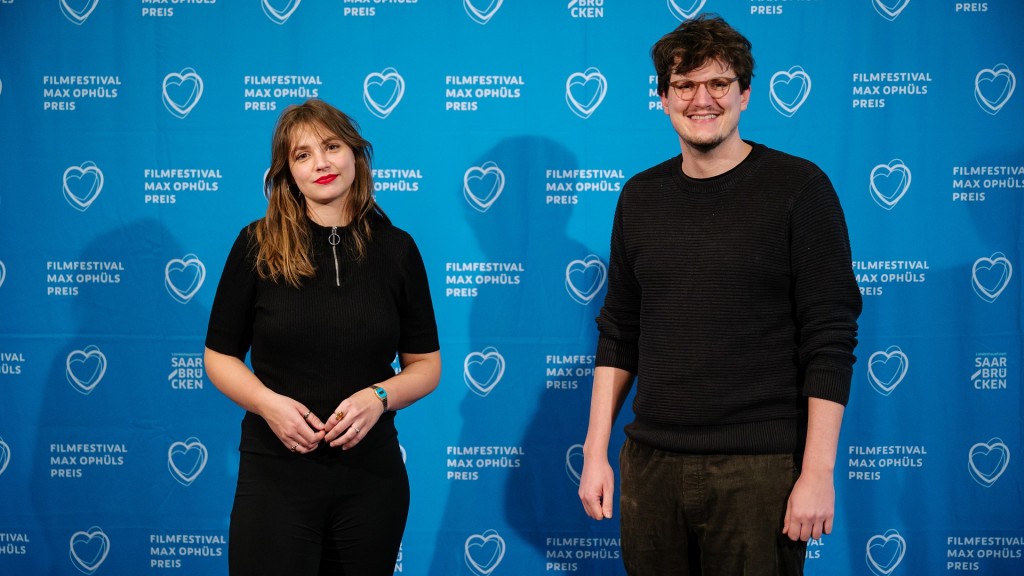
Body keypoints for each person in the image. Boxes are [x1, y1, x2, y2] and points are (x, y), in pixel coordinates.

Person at [577, 14, 862, 576]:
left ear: (745, 95)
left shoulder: (800, 188)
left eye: (718, 84)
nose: (701, 99)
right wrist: (595, 454)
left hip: (759, 472)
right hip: (650, 467)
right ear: (663, 98)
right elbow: (619, 332)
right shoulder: (639, 196)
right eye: (684, 85)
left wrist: (817, 472)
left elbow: (830, 337)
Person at [205, 99, 441, 576]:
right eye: (303, 154)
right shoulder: (256, 244)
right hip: (275, 477)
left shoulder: (398, 250)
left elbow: (426, 366)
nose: (322, 163)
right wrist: (268, 404)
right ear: (287, 172)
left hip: (371, 481)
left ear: (356, 154)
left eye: (332, 146)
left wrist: (380, 397)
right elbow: (218, 356)